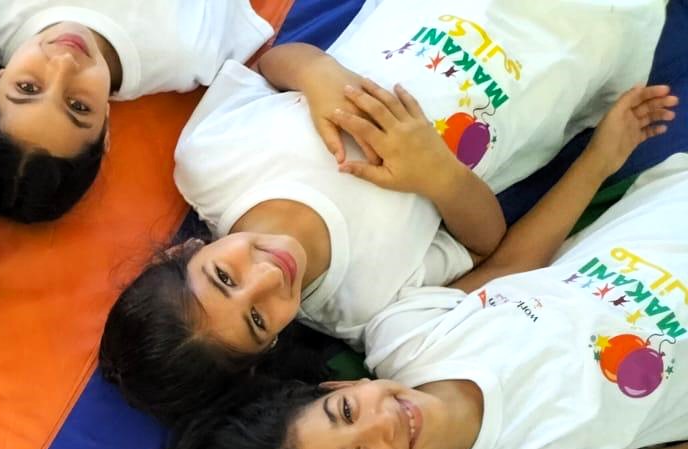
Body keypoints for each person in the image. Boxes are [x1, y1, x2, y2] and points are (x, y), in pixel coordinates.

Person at [99, 0, 668, 422]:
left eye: (224, 278)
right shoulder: (363, 306)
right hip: (569, 51)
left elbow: (277, 63)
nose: (267, 278)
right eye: (255, 319)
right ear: (269, 347)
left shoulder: (208, 164)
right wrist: (437, 173)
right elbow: (485, 244)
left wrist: (322, 78)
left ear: (184, 249)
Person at [172, 150, 688, 449]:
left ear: (341, 387)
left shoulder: (405, 335)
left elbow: (518, 259)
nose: (382, 424)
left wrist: (602, 155)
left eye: (346, 413)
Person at [0, 0, 271, 222]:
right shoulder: (187, 54)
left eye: (27, 87)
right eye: (78, 106)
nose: (64, 64)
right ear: (105, 129)